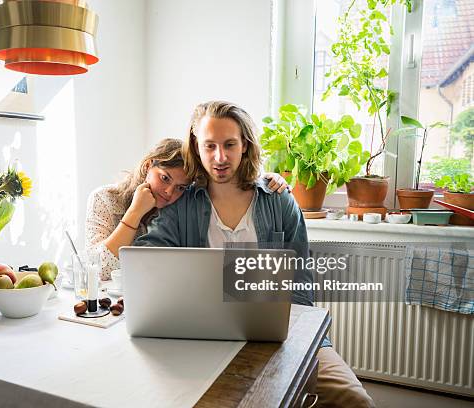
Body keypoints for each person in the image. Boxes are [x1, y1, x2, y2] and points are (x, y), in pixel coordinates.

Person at [134, 101, 375, 408]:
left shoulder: (279, 201)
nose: (219, 157)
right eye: (210, 146)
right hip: (203, 338)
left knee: (355, 400)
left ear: (244, 145)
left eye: (229, 145)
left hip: (280, 335)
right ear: (196, 147)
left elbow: (300, 286)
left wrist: (291, 341)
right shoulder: (182, 206)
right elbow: (145, 263)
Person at [85, 138, 289, 280]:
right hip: (107, 306)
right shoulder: (105, 200)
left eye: (180, 187)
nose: (168, 192)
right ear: (148, 166)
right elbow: (97, 268)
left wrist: (264, 179)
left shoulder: (180, 207)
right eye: (164, 178)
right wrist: (135, 213)